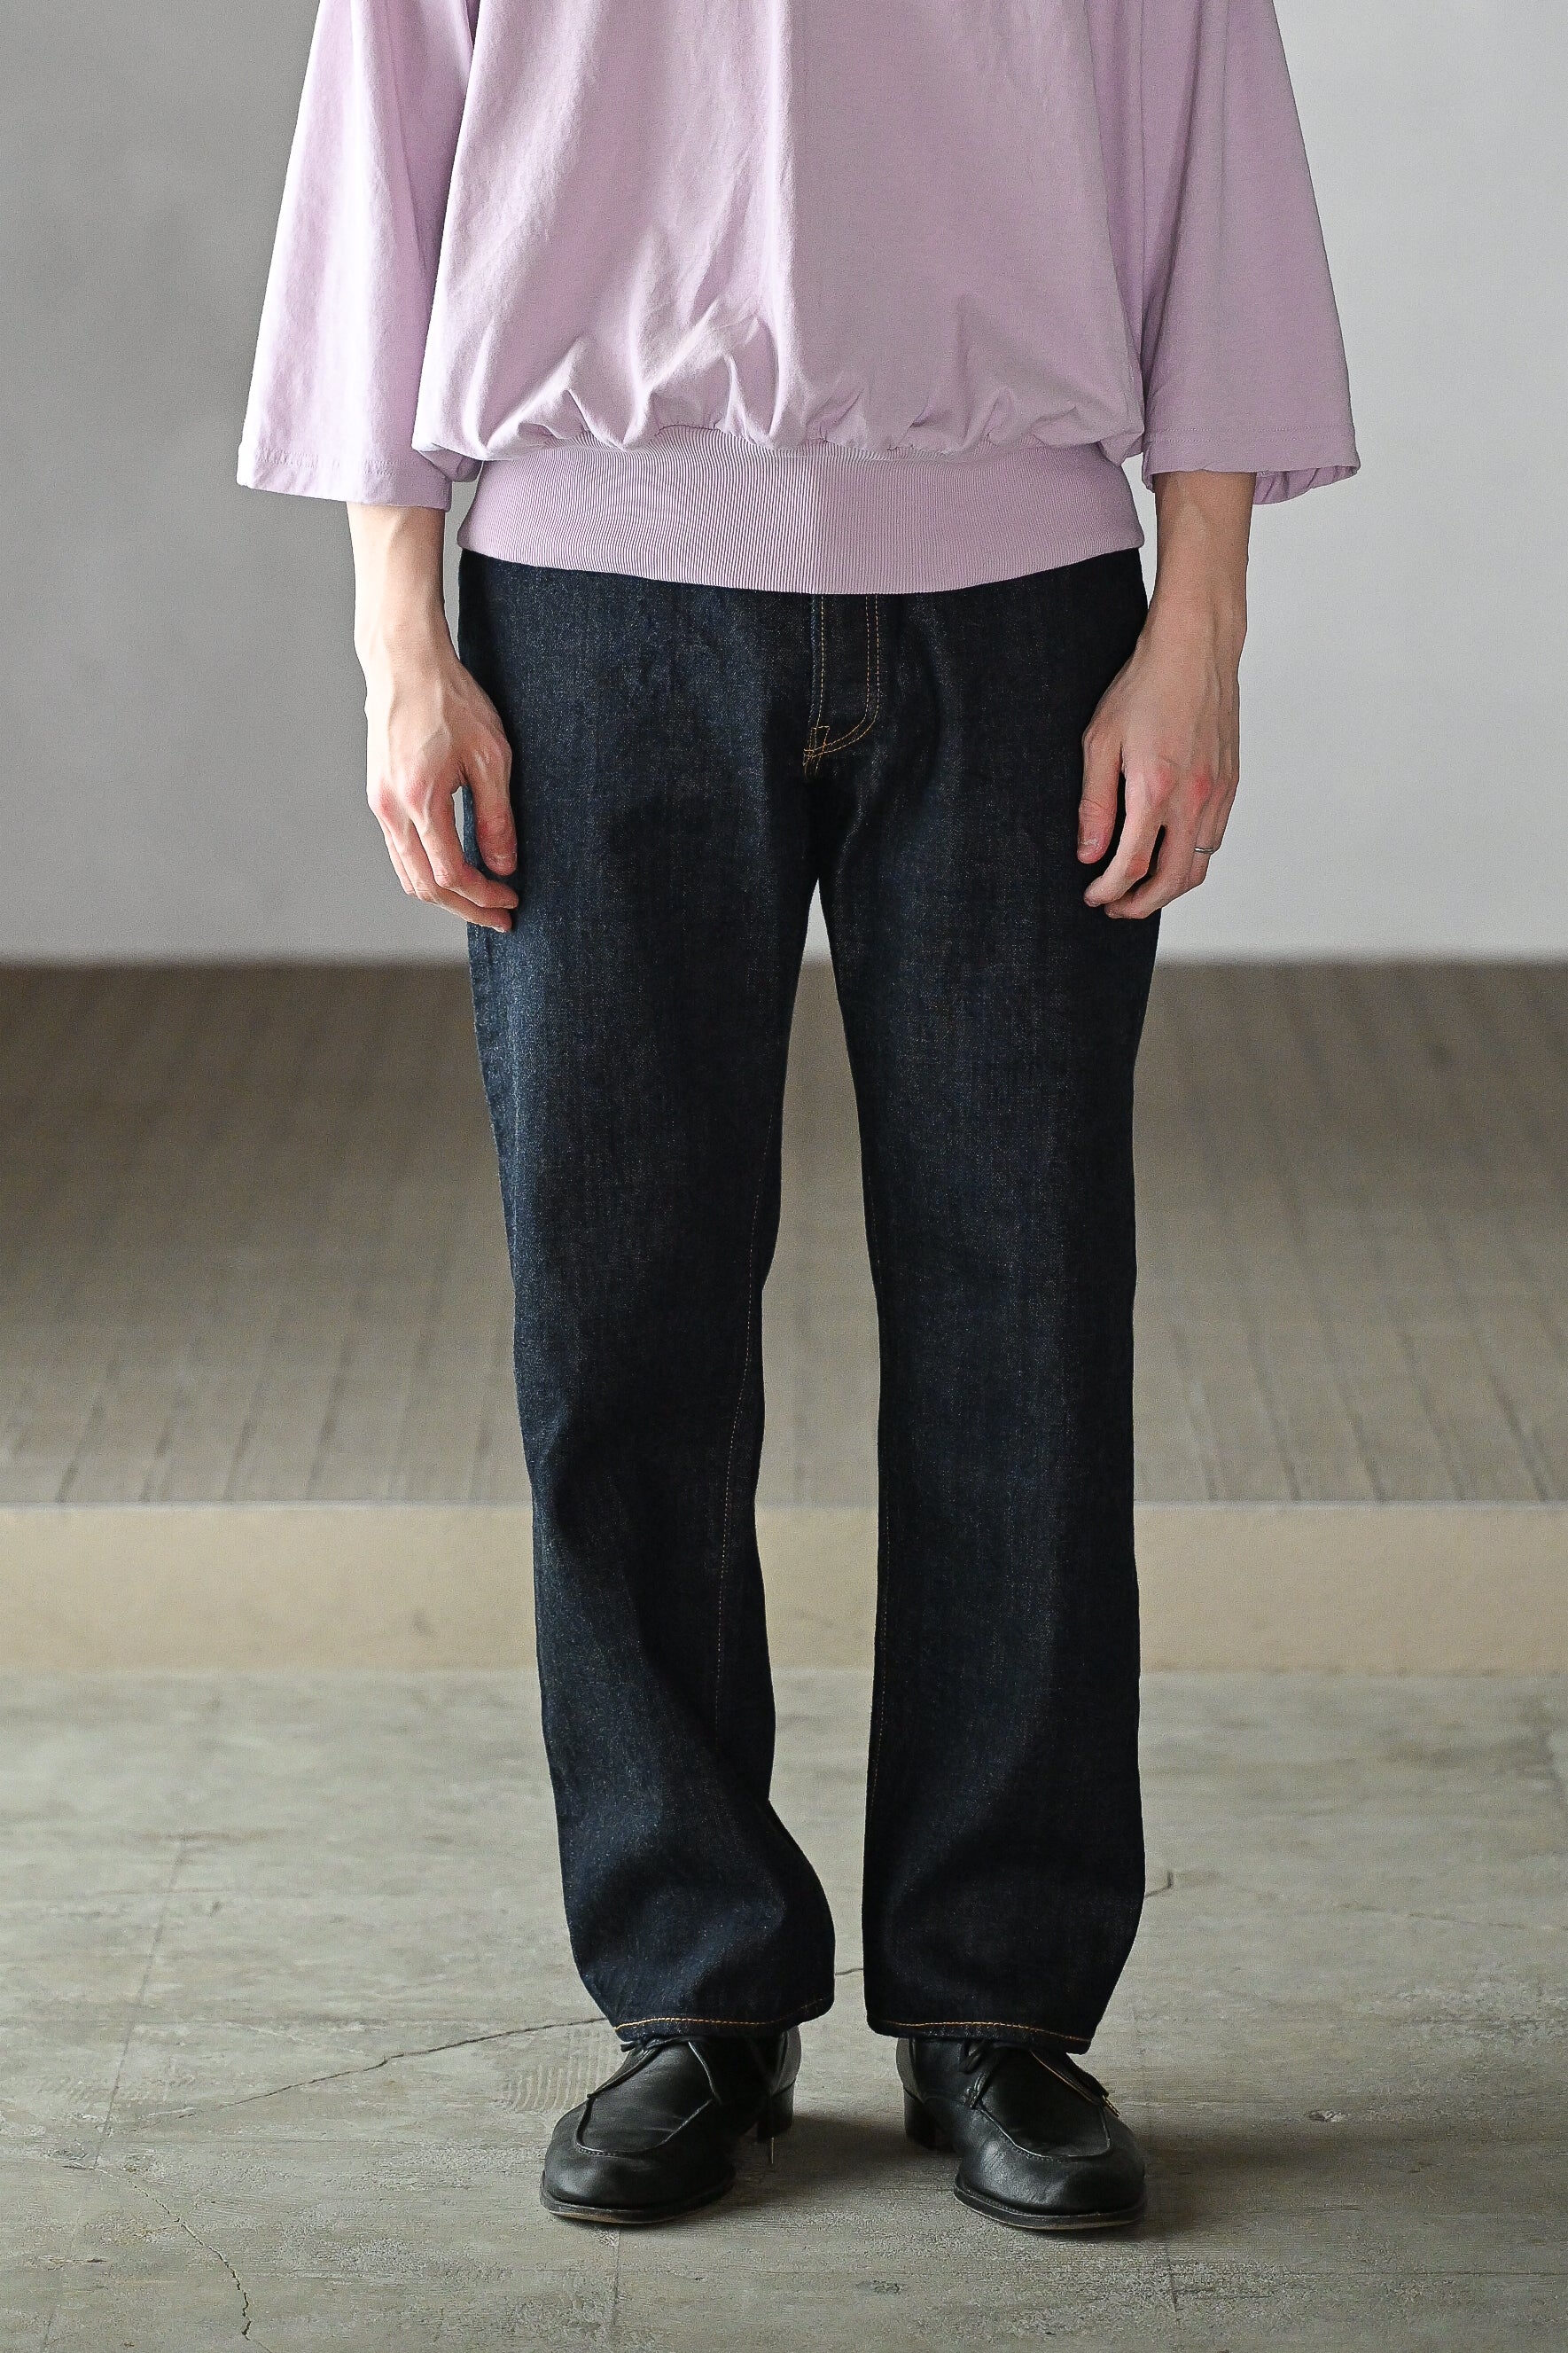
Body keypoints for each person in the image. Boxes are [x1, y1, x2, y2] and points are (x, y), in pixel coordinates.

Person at [240, 0, 1355, 2234]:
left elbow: (1211, 141)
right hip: (591, 606)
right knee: (618, 1316)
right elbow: (385, 133)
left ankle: (997, 1999)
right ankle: (695, 1991)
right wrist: (397, 631)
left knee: (1027, 1313)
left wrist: (1202, 616)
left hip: (1025, 613)